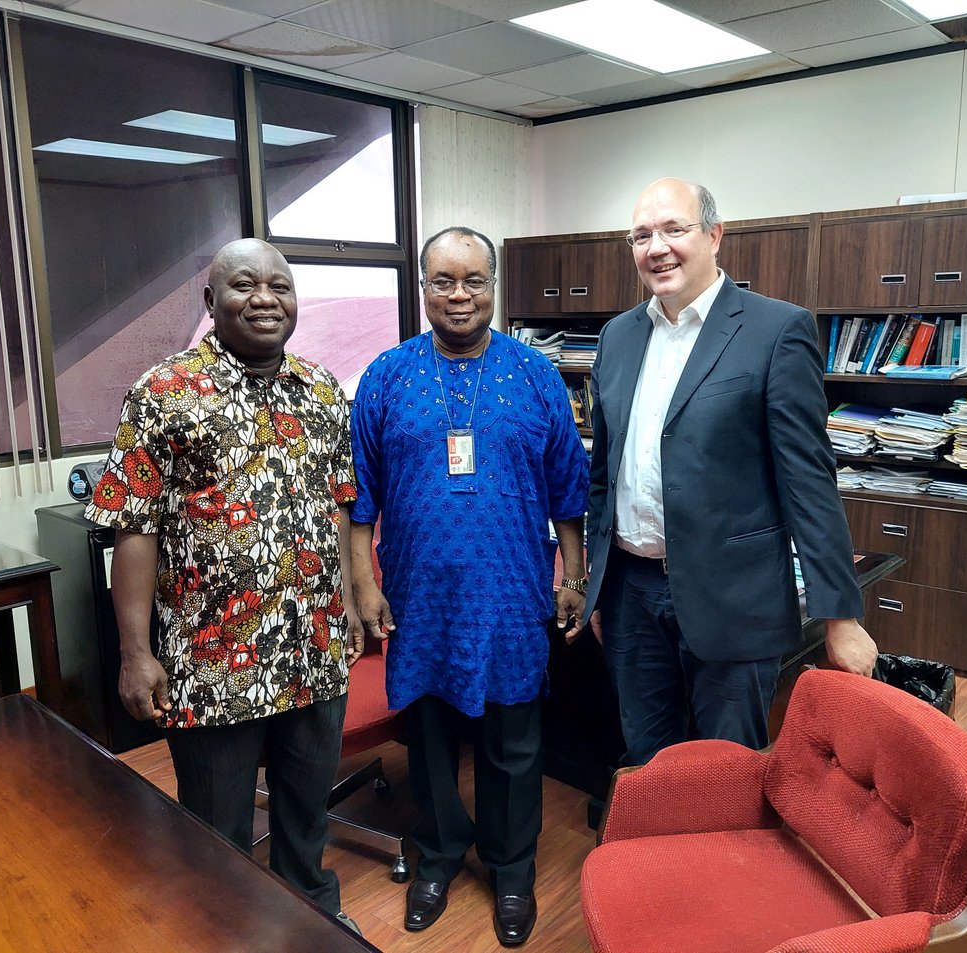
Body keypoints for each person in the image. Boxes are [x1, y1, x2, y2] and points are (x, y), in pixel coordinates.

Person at [84, 238, 363, 932]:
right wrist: (135, 651)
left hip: (311, 650)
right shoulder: (163, 393)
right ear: (211, 302)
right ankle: (223, 932)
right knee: (215, 831)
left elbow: (337, 505)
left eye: (280, 285)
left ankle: (314, 925)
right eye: (244, 285)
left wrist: (349, 605)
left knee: (306, 814)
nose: (265, 298)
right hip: (212, 665)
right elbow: (133, 528)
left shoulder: (324, 391)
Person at [581, 177, 877, 767]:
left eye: (674, 229)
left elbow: (809, 483)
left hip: (733, 596)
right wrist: (596, 586)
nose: (656, 247)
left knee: (727, 770)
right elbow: (604, 474)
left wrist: (840, 615)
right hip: (630, 595)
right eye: (641, 236)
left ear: (714, 235)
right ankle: (660, 861)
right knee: (647, 760)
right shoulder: (617, 337)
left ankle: (719, 862)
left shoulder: (776, 331)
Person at [349, 226, 589, 947]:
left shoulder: (536, 374)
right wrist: (364, 585)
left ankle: (511, 868)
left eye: (475, 280)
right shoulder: (386, 377)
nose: (460, 295)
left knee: (513, 740)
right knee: (428, 738)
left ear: (493, 287)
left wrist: (571, 575)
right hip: (419, 595)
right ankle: (439, 855)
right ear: (422, 288)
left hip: (513, 590)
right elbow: (359, 499)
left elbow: (568, 490)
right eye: (444, 281)